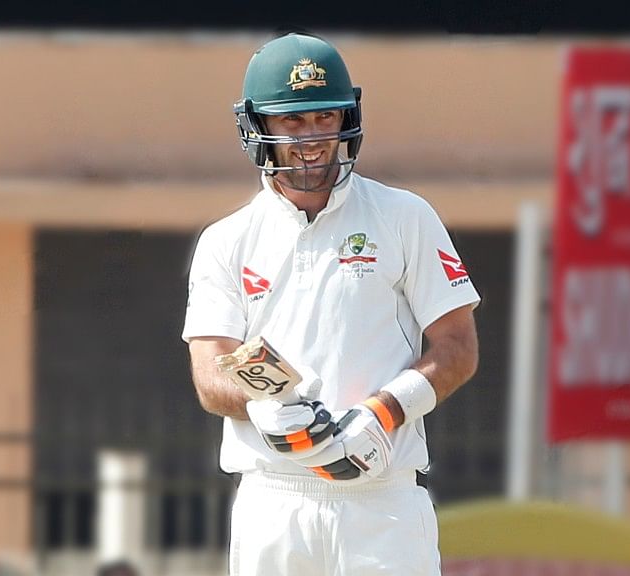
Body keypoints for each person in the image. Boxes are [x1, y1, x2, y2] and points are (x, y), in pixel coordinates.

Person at [182, 31, 480, 576]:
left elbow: (458, 347)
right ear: (258, 127)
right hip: (275, 499)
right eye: (292, 121)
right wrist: (264, 405)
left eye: (325, 117)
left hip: (383, 499)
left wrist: (388, 409)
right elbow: (209, 372)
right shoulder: (227, 241)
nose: (313, 138)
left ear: (347, 119)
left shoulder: (404, 216)